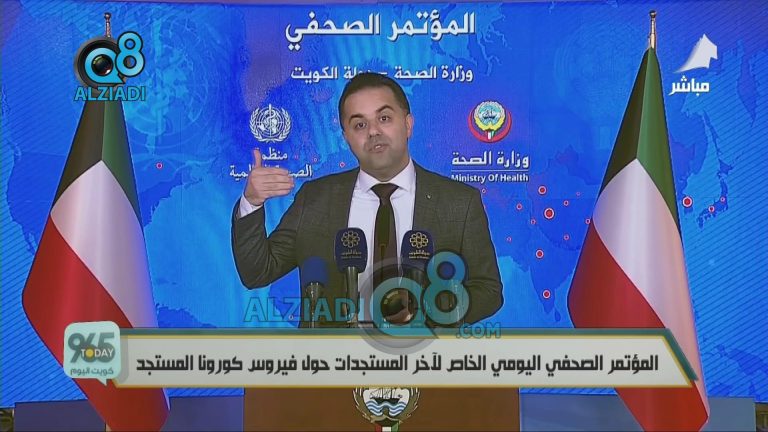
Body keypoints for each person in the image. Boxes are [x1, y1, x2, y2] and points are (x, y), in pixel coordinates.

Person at [231, 73, 502, 327]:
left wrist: (435, 309)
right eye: (359, 124)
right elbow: (258, 272)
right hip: (334, 360)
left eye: (384, 118)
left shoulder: (459, 202)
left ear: (408, 124)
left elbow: (488, 291)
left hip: (426, 355)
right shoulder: (315, 198)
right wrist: (251, 202)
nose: (373, 131)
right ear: (346, 137)